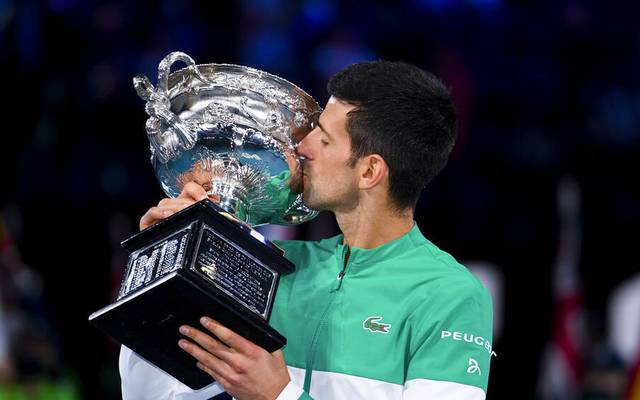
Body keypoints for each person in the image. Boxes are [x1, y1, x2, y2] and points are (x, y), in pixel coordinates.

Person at [120, 60, 495, 399]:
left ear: (369, 171)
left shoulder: (449, 296)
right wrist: (167, 256)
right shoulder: (273, 266)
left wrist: (279, 396)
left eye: (324, 137)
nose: (303, 146)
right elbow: (151, 394)